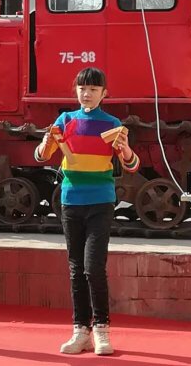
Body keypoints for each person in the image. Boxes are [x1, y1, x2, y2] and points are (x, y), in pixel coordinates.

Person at [34, 67, 140, 356]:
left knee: (93, 267)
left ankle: (102, 330)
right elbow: (41, 156)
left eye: (93, 89)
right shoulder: (66, 120)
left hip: (101, 202)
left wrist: (126, 149)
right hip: (71, 201)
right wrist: (46, 143)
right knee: (76, 268)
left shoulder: (112, 124)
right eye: (82, 88)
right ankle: (80, 331)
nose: (87, 93)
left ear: (104, 93)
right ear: (76, 91)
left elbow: (131, 165)